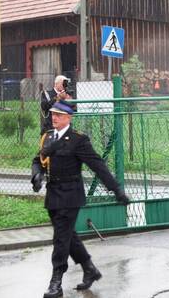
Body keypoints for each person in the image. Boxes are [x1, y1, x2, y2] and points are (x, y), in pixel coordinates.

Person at [31, 100, 130, 298]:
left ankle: (56, 281)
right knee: (68, 236)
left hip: (70, 194)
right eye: (52, 114)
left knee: (60, 237)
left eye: (58, 115)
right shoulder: (48, 137)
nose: (54, 118)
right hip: (53, 194)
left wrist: (116, 189)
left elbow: (97, 165)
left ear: (69, 117)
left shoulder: (78, 140)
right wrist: (37, 175)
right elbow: (38, 160)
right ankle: (89, 268)